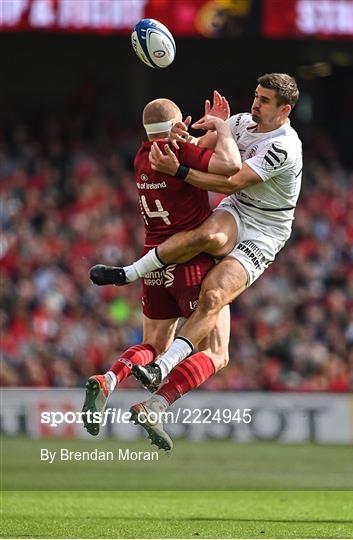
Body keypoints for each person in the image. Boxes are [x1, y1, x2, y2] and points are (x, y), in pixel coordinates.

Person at [91, 73, 303, 395]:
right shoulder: (242, 122)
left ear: (285, 110)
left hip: (267, 227)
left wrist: (179, 169)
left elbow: (228, 180)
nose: (255, 104)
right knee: (208, 238)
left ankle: (160, 368)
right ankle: (128, 272)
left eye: (265, 101)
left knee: (214, 295)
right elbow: (197, 147)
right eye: (256, 96)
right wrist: (182, 138)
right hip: (238, 208)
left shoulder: (283, 147)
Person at [82, 96, 241, 450]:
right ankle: (157, 403)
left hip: (154, 261)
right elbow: (230, 165)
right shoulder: (178, 155)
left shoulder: (143, 156)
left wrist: (196, 131)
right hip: (190, 260)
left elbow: (188, 148)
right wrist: (223, 128)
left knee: (153, 345)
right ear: (173, 128)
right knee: (217, 352)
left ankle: (110, 378)